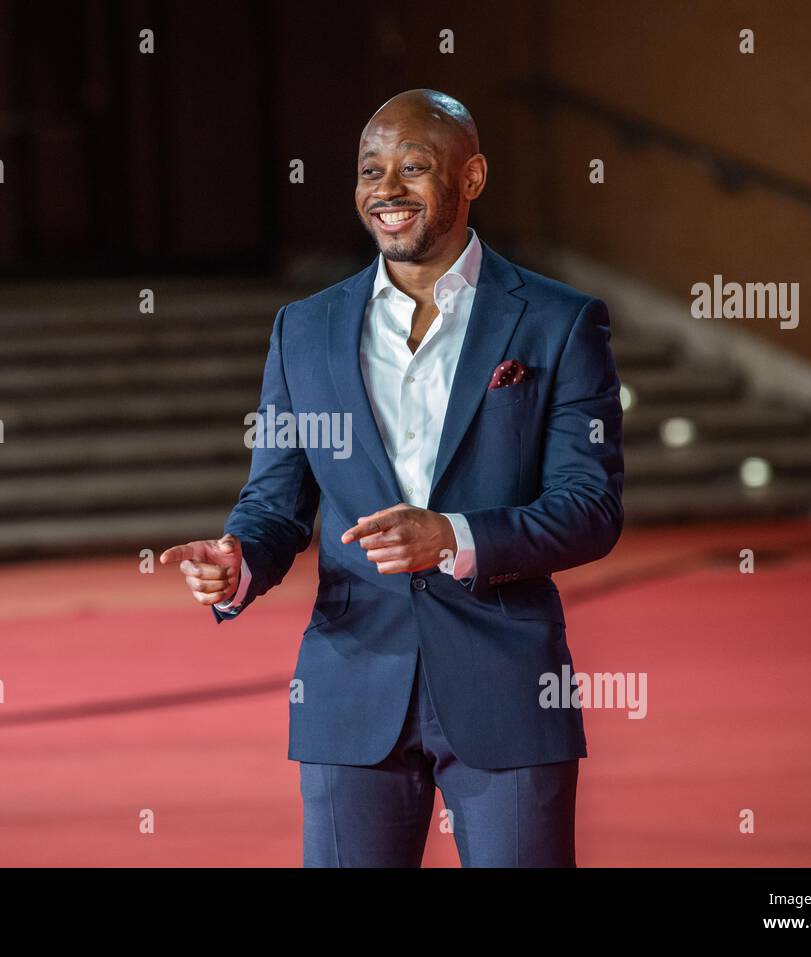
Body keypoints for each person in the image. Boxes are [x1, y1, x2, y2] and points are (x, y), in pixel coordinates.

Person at [161, 89, 624, 867]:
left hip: (507, 684)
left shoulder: (557, 320)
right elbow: (276, 502)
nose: (387, 190)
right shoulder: (303, 329)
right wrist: (241, 558)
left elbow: (591, 507)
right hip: (349, 684)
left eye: (414, 167)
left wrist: (456, 537)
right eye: (370, 170)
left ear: (471, 176)